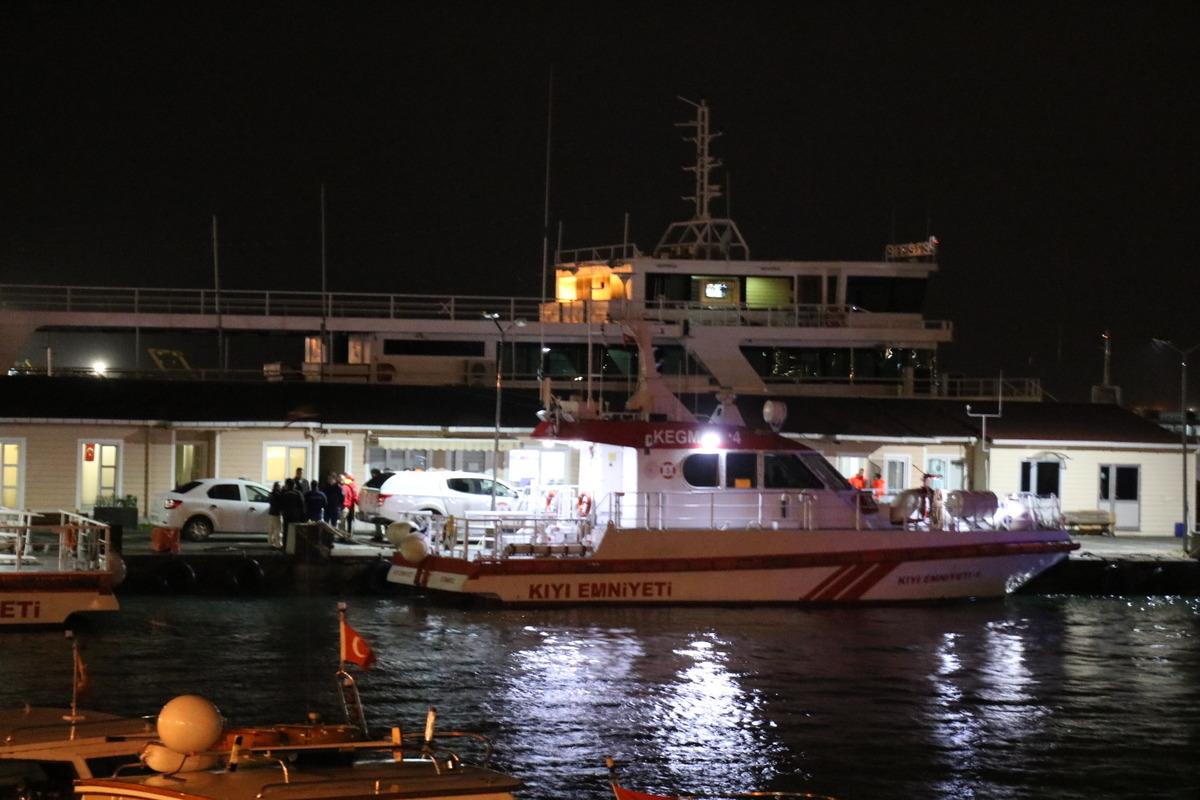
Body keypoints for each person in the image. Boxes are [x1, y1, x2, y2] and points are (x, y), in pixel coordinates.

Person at [277, 478, 306, 549]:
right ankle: (295, 547)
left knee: (286, 531)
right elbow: (302, 505)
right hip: (296, 516)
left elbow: (280, 504)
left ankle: (285, 547)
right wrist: (302, 516)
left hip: (286, 515)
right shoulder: (298, 493)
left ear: (287, 485)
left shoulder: (284, 493)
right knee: (296, 532)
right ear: (294, 485)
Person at [267, 481, 283, 548]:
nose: (280, 487)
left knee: (271, 529)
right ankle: (278, 544)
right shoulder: (278, 494)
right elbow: (280, 504)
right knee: (278, 529)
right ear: (277, 487)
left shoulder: (271, 494)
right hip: (276, 513)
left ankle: (270, 543)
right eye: (279, 486)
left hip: (271, 513)